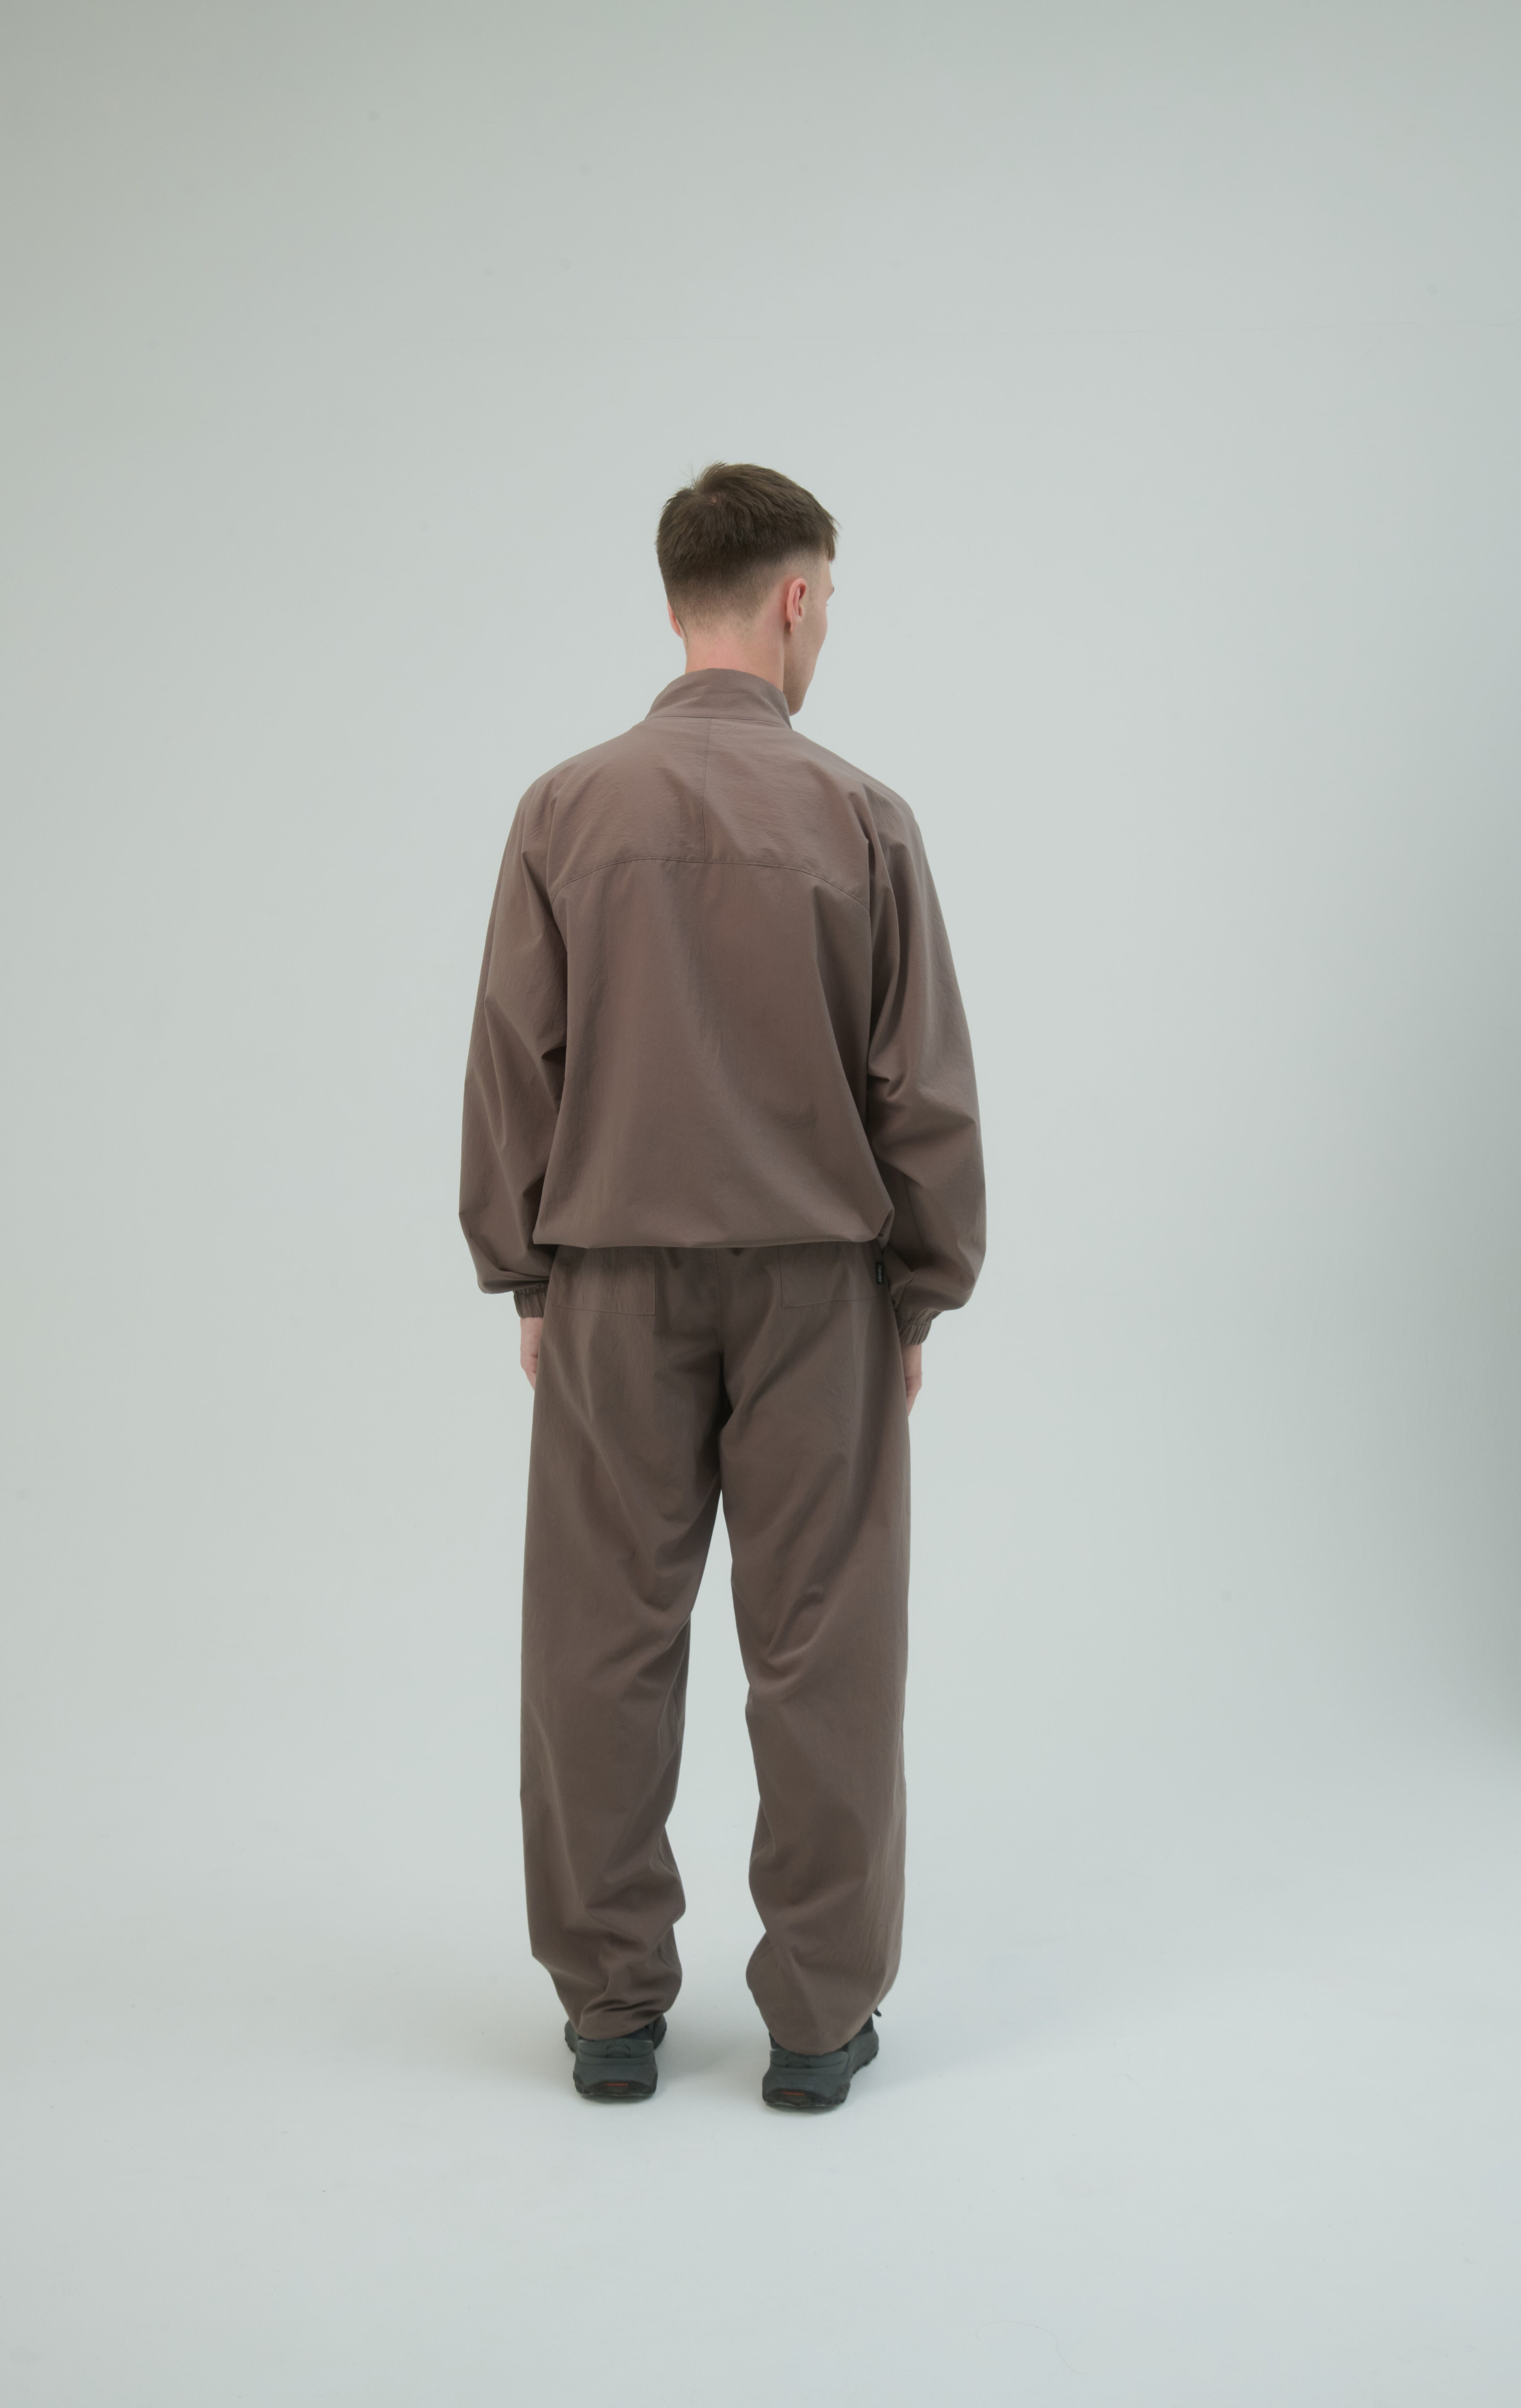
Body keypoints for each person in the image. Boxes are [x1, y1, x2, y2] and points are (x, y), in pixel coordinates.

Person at [460, 463, 985, 2111]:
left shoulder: (562, 811)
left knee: (598, 1639)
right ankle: (818, 2025)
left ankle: (610, 2013)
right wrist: (919, 1289)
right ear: (796, 597)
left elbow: (514, 1064)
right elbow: (921, 1092)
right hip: (819, 1289)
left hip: (610, 1279)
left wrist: (524, 1275)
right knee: (825, 1644)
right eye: (828, 602)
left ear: (673, 597)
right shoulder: (860, 817)